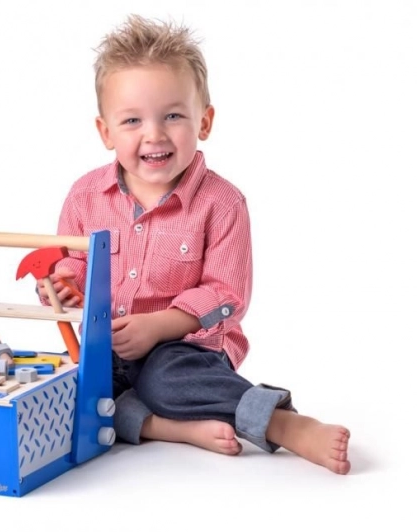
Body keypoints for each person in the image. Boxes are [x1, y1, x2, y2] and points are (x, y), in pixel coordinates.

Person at [37, 14, 351, 475]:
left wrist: (160, 325)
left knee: (166, 378)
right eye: (132, 120)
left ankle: (282, 424)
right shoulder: (85, 196)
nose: (154, 134)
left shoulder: (221, 202)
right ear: (106, 132)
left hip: (188, 348)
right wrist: (61, 288)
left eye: (173, 116)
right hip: (108, 346)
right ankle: (168, 428)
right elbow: (71, 266)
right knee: (72, 383)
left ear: (204, 121)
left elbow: (227, 293)